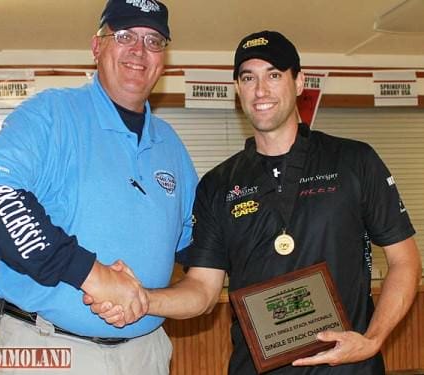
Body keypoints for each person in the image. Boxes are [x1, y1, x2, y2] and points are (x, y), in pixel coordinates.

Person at [92, 30, 422, 374]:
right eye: (248, 78)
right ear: (238, 90)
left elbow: (405, 261)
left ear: (299, 83)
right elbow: (202, 291)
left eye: (274, 75)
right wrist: (142, 298)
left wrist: (373, 338)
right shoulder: (218, 185)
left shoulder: (355, 161)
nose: (261, 90)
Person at [0, 0, 197, 374]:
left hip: (147, 353)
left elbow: (198, 246)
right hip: (45, 349)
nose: (139, 51)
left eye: (153, 40)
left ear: (164, 58)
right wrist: (94, 276)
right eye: (124, 35)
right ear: (97, 46)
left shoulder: (171, 146)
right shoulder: (50, 114)